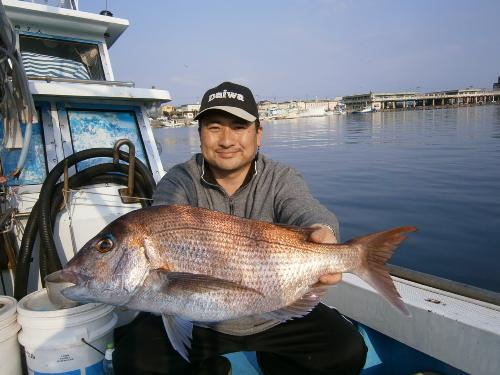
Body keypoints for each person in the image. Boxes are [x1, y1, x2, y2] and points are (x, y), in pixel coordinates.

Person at [113, 82, 367, 375]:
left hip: (275, 311)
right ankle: (211, 367)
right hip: (200, 319)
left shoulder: (280, 177)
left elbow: (306, 209)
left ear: (259, 134)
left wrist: (324, 232)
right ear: (200, 135)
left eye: (239, 127)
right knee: (133, 364)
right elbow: (164, 213)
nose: (226, 140)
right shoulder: (179, 180)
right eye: (214, 127)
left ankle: (274, 363)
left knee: (345, 351)